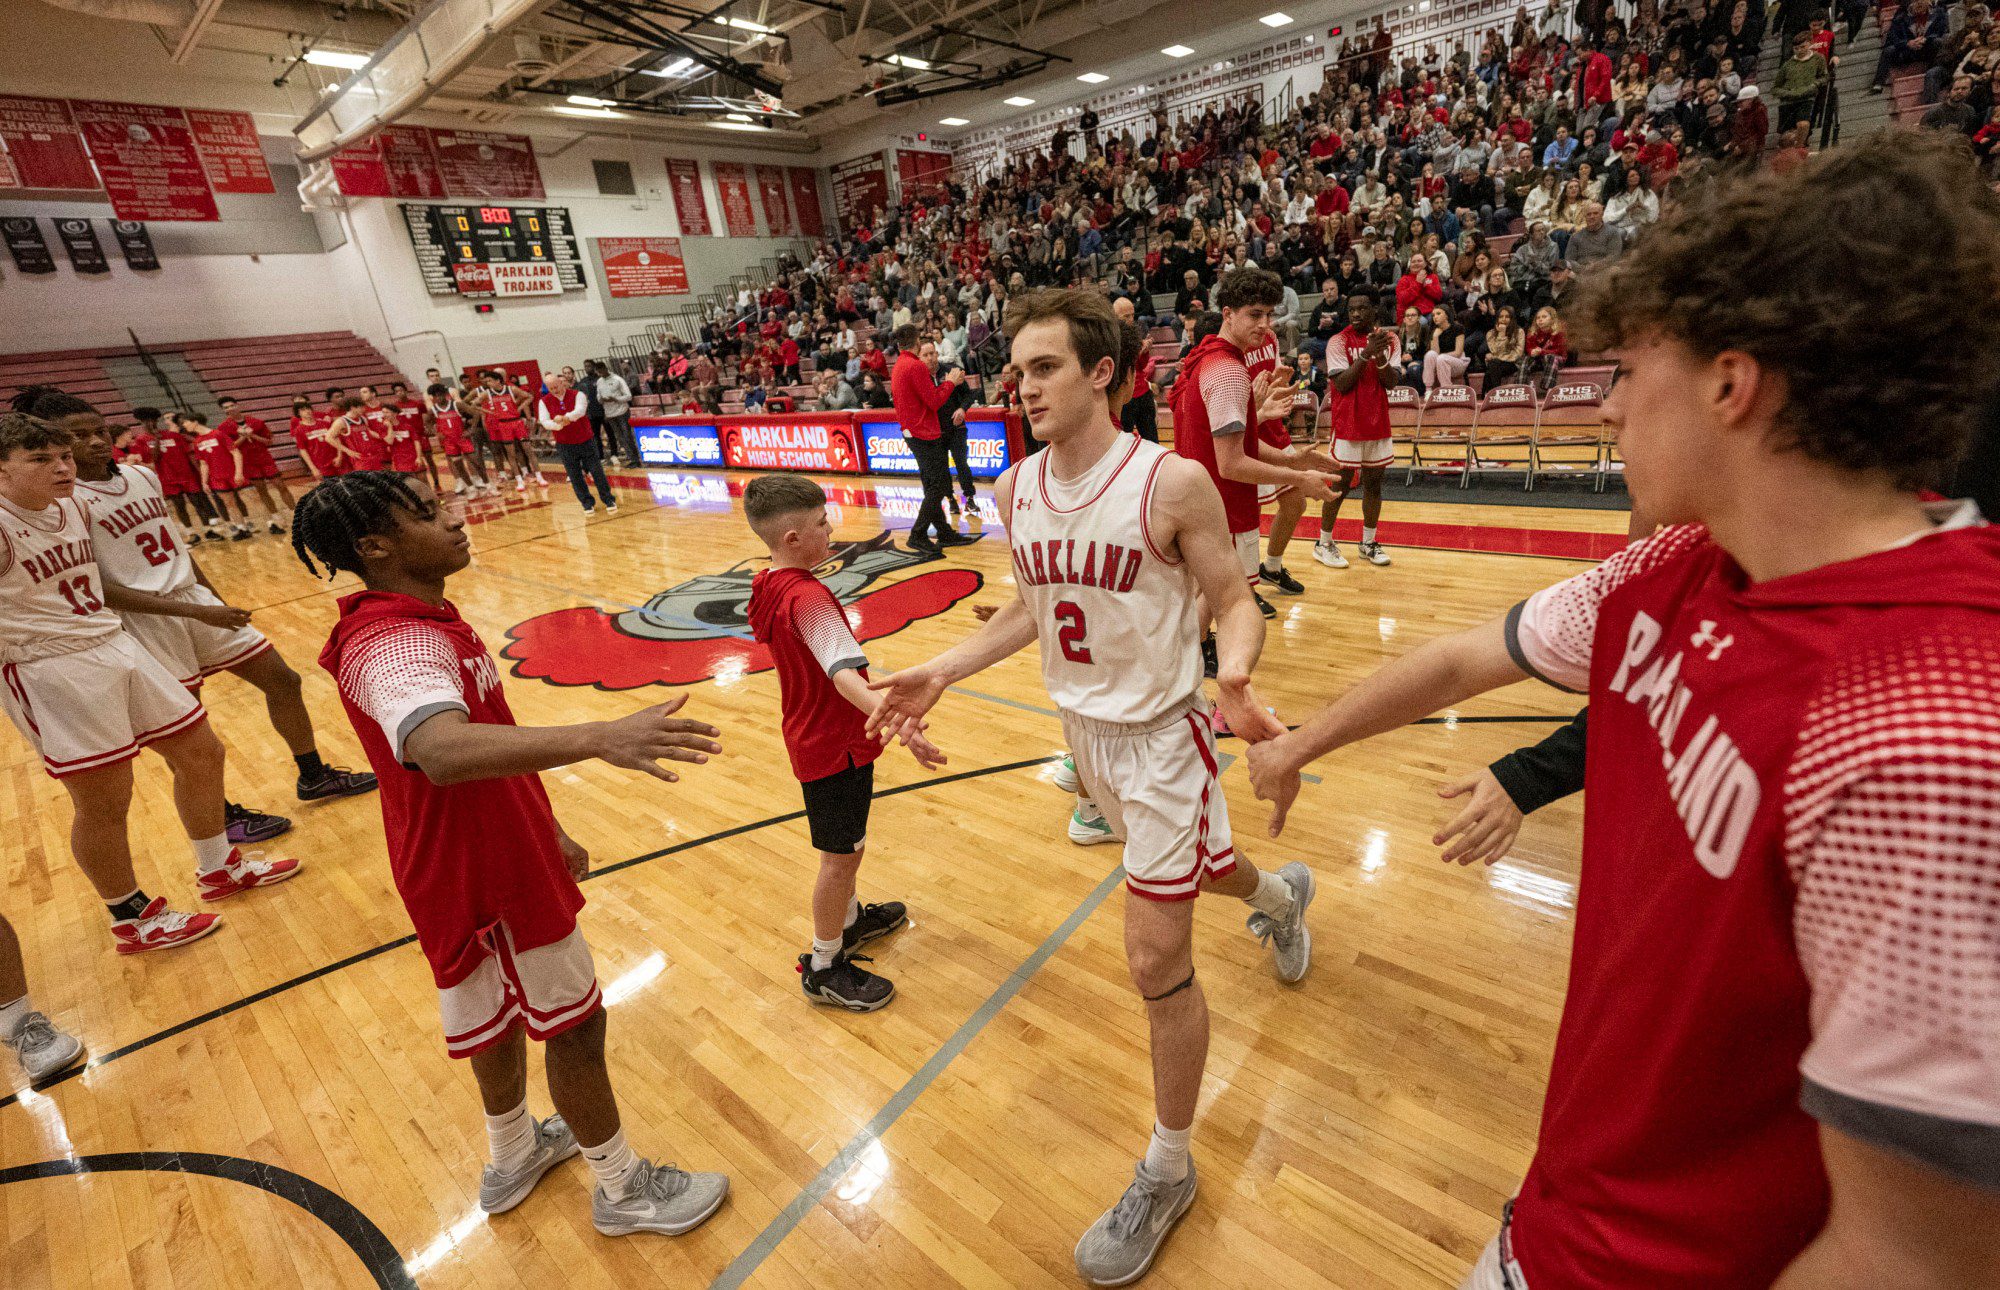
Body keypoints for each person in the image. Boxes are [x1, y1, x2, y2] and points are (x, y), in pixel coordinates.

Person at [1247, 133, 2000, 1290]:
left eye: (1627, 369)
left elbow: (1913, 1260)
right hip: (1559, 1214)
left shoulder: (1933, 729)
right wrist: (1299, 743)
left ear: (1728, 384)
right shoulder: (1675, 567)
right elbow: (1457, 663)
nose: (1604, 411)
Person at [867, 287, 1316, 1289]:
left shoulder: (1170, 482)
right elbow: (1029, 611)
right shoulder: (1012, 488)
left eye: (1043, 368)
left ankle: (1166, 1167)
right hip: (1086, 740)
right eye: (1016, 370)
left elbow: (1230, 598)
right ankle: (1282, 899)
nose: (1020, 386)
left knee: (1152, 950)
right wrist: (942, 666)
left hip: (1162, 740)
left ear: (1101, 373)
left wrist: (1233, 673)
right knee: (1212, 870)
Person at [295, 470, 731, 1237]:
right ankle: (625, 1190)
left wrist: (547, 826)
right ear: (375, 546)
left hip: (457, 857)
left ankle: (514, 1152)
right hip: (487, 866)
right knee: (575, 1026)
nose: (454, 518)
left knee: (492, 1014)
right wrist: (600, 736)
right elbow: (438, 748)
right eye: (427, 514)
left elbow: (477, 749)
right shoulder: (389, 641)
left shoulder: (413, 618)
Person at [0, 407, 302, 956]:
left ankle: (218, 868)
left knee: (201, 751)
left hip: (111, 642)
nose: (62, 467)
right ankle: (130, 917)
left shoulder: (70, 506)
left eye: (64, 456)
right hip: (49, 667)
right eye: (40, 460)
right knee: (104, 797)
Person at [17, 388, 377, 838]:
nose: (93, 442)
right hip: (146, 619)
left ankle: (313, 773)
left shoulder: (141, 475)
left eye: (99, 432)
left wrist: (212, 599)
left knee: (283, 679)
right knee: (189, 733)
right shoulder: (67, 504)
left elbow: (175, 545)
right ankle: (222, 818)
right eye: (79, 436)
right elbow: (100, 588)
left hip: (193, 602)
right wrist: (192, 609)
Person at [743, 474, 944, 1011]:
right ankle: (825, 962)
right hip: (833, 747)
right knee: (841, 857)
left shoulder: (769, 584)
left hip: (817, 736)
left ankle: (850, 920)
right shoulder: (809, 597)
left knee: (847, 849)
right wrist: (901, 724)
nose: (830, 529)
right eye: (820, 523)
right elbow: (842, 676)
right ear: (791, 539)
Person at [1171, 271, 1339, 652]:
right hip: (1219, 502)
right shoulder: (1230, 372)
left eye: (1269, 315)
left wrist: (1294, 460)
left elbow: (1235, 441)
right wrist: (1302, 479)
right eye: (1254, 314)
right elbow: (1231, 463)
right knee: (1223, 600)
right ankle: (1198, 661)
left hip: (1198, 496)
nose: (1265, 324)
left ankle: (1193, 656)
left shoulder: (1207, 358)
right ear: (1228, 314)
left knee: (1205, 594)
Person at [1315, 293, 1401, 570]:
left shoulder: (1390, 340)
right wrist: (1365, 355)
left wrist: (1378, 356)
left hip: (1378, 423)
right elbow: (1342, 384)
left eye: (1363, 308)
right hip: (1348, 424)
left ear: (1374, 310)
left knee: (1374, 485)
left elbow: (1391, 383)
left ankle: (1368, 542)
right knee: (1340, 485)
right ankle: (1323, 542)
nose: (1356, 313)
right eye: (1352, 309)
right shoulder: (1338, 341)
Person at [888, 323, 969, 556]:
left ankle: (943, 531)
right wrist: (951, 382)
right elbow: (934, 401)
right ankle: (918, 534)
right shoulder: (914, 366)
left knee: (934, 485)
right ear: (916, 342)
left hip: (914, 432)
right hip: (923, 433)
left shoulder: (899, 365)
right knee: (938, 485)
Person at [539, 372, 616, 516]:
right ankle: (587, 504)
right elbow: (544, 421)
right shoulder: (544, 401)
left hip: (585, 440)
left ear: (562, 383)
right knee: (575, 476)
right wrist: (559, 425)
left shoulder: (578, 394)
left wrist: (565, 417)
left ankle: (608, 500)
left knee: (597, 471)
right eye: (551, 388)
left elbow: (580, 411)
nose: (555, 390)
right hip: (564, 444)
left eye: (556, 386)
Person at [215, 396, 295, 532]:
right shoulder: (223, 428)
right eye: (226, 407)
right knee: (262, 490)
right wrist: (243, 437)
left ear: (237, 405)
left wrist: (253, 435)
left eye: (232, 405)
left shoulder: (256, 422)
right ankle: (276, 516)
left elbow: (269, 442)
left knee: (281, 485)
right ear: (223, 410)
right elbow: (229, 448)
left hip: (265, 459)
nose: (230, 409)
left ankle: (295, 513)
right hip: (248, 464)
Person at [183, 411, 254, 541]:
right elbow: (203, 464)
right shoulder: (197, 442)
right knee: (229, 503)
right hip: (216, 478)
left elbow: (236, 453)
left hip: (231, 473)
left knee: (241, 500)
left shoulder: (218, 434)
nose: (184, 425)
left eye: (186, 422)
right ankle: (242, 528)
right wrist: (204, 482)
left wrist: (238, 472)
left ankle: (250, 524)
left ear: (195, 421)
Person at [932, 341, 981, 517]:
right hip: (935, 430)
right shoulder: (921, 377)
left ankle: (969, 498)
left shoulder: (951, 371)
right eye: (926, 355)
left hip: (956, 427)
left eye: (933, 353)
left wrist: (962, 408)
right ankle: (950, 498)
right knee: (942, 467)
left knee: (961, 463)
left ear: (938, 354)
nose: (931, 358)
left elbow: (969, 394)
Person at [474, 370, 538, 492]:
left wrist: (519, 410)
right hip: (493, 422)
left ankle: (524, 473)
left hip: (509, 420)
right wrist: (485, 418)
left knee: (517, 448)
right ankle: (503, 475)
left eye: (489, 379)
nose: (487, 381)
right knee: (498, 450)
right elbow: (474, 405)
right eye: (484, 379)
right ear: (480, 380)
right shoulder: (481, 392)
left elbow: (525, 397)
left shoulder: (510, 388)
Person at [429, 383, 491, 496]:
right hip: (449, 442)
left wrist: (471, 429)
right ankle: (471, 489)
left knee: (476, 463)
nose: (439, 398)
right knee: (459, 467)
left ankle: (489, 486)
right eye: (435, 396)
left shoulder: (456, 405)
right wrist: (436, 433)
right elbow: (427, 423)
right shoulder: (433, 410)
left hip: (462, 439)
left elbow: (476, 413)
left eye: (440, 395)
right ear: (433, 398)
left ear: (445, 394)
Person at [1113, 296, 1160, 443]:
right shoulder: (1111, 337)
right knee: (1123, 439)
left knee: (1151, 437)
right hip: (1124, 395)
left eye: (1132, 315)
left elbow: (1140, 366)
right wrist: (1139, 351)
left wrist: (1145, 351)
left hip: (1141, 391)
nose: (1131, 319)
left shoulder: (1134, 332)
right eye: (1126, 316)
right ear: (1115, 317)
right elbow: (1119, 365)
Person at [591, 361, 638, 465]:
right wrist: (602, 399)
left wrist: (616, 399)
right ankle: (631, 458)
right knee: (620, 438)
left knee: (627, 436)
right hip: (610, 413)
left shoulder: (618, 379)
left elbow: (628, 396)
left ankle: (635, 459)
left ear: (605, 368)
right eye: (598, 372)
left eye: (601, 371)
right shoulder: (599, 382)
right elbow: (598, 397)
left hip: (622, 411)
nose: (600, 374)